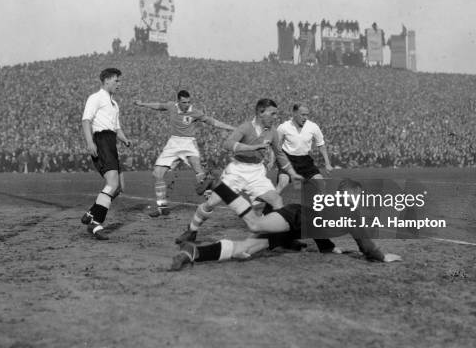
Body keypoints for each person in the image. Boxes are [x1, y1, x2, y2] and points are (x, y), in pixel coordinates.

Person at [169, 179, 402, 270]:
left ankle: (194, 253)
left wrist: (327, 247)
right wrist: (382, 257)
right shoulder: (351, 215)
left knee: (245, 250)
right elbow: (366, 246)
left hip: (293, 228)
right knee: (255, 224)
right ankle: (219, 186)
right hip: (292, 217)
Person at [175, 98, 303, 244]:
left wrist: (292, 173)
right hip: (237, 171)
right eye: (272, 114)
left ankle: (284, 238)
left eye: (276, 114)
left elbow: (279, 154)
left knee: (276, 201)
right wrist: (250, 148)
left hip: (257, 173)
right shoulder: (246, 127)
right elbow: (227, 144)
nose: (275, 117)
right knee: (212, 202)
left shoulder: (272, 132)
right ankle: (191, 230)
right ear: (261, 113)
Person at [134, 90, 234, 217]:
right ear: (178, 102)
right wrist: (142, 104)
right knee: (157, 173)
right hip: (173, 143)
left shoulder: (195, 112)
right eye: (184, 102)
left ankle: (210, 202)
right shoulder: (171, 106)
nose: (187, 105)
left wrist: (232, 128)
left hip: (188, 143)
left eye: (188, 102)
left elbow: (213, 122)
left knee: (200, 174)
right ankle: (162, 207)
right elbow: (159, 106)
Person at [80, 68, 131, 240]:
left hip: (111, 142)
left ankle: (92, 212)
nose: (119, 84)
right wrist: (89, 142)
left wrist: (124, 139)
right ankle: (95, 223)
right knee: (112, 183)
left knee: (118, 188)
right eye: (117, 80)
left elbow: (116, 127)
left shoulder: (114, 104)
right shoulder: (95, 98)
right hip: (101, 141)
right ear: (107, 80)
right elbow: (86, 120)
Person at [275, 104, 334, 194]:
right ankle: (269, 206)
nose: (305, 117)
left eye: (307, 115)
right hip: (288, 159)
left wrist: (327, 163)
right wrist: (272, 161)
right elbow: (276, 145)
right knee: (282, 183)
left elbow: (321, 145)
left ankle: (323, 206)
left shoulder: (313, 127)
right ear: (294, 113)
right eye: (303, 115)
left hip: (305, 160)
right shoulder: (283, 127)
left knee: (321, 183)